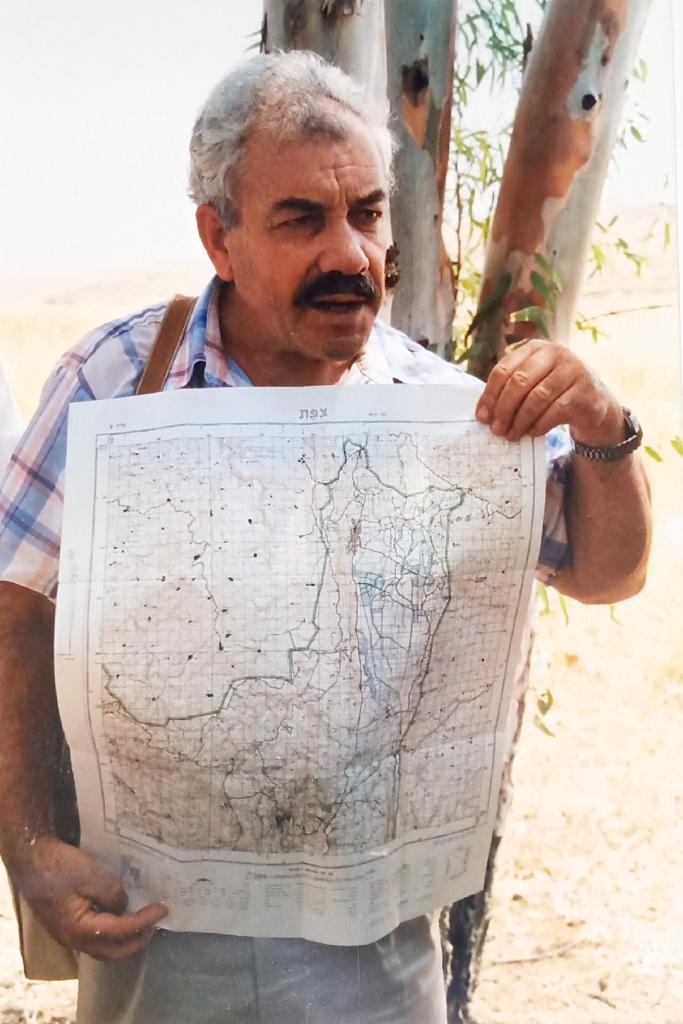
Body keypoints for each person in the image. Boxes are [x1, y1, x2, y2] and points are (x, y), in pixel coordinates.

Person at [0, 52, 651, 1024]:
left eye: (367, 214)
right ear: (218, 238)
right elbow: (13, 605)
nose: (348, 252)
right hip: (154, 941)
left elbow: (606, 574)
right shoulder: (119, 380)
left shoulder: (446, 413)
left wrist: (603, 427)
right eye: (301, 219)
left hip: (378, 959)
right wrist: (26, 845)